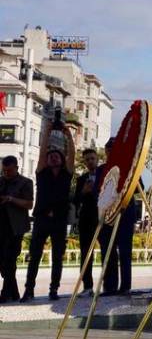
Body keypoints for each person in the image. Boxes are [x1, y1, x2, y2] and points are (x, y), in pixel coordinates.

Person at [23, 125, 74, 302]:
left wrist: (68, 134)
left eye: (56, 155)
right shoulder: (41, 173)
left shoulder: (67, 175)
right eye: (50, 156)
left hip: (59, 220)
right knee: (35, 255)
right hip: (41, 219)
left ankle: (54, 289)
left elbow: (72, 155)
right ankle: (29, 290)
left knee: (57, 257)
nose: (53, 156)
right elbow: (42, 150)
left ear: (61, 159)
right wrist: (47, 132)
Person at [97, 138, 137, 296]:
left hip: (125, 216)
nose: (110, 153)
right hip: (106, 217)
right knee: (108, 252)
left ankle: (125, 286)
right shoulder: (101, 170)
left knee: (125, 252)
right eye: (108, 150)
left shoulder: (129, 169)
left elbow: (137, 187)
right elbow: (96, 192)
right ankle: (109, 286)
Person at [0, 156, 33, 302]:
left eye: (9, 171)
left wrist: (11, 199)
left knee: (9, 260)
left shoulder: (25, 182)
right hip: (1, 226)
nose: (6, 173)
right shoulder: (0, 181)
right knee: (4, 263)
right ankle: (14, 293)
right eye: (4, 170)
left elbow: (29, 204)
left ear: (16, 168)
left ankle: (5, 294)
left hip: (15, 228)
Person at [72, 148, 102, 296]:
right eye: (87, 159)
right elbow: (75, 200)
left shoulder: (104, 176)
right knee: (86, 253)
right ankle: (87, 286)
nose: (90, 161)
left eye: (92, 158)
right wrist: (83, 192)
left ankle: (109, 285)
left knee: (107, 252)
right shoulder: (81, 179)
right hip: (86, 220)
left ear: (97, 159)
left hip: (103, 218)